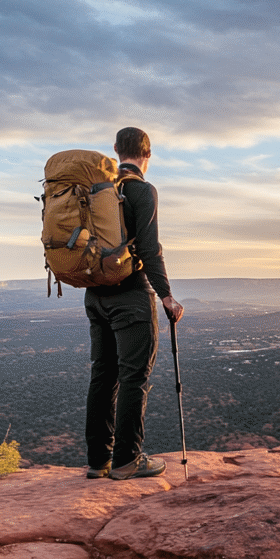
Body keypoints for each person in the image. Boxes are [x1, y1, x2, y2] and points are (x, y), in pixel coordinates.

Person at [84, 127, 185, 480]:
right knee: (133, 378)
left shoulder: (98, 191)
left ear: (115, 149)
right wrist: (166, 295)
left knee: (103, 375)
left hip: (95, 294)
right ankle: (127, 459)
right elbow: (149, 248)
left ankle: (98, 461)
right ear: (148, 153)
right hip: (130, 297)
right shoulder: (141, 191)